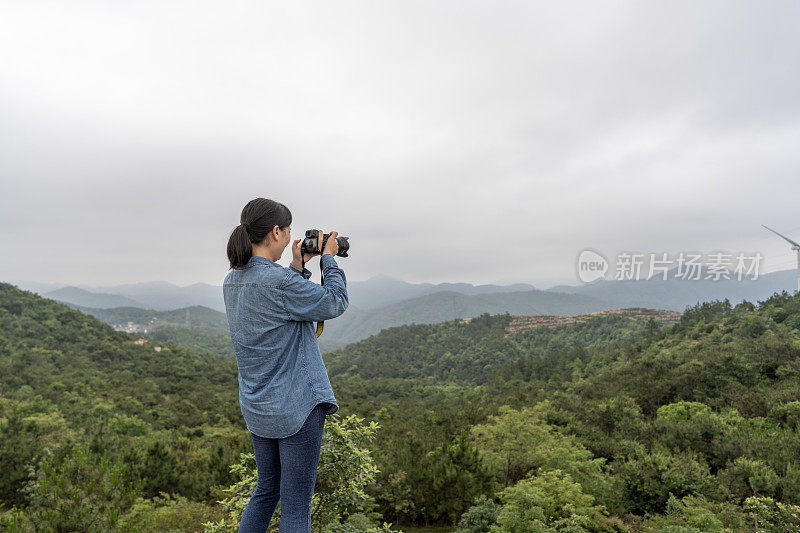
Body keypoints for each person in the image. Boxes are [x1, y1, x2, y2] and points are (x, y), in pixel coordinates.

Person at [223, 197, 348, 533]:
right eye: (288, 231)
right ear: (276, 232)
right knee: (295, 507)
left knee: (266, 491)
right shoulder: (278, 281)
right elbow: (334, 302)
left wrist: (297, 267)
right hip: (296, 407)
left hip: (258, 407)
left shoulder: (232, 280)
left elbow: (278, 308)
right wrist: (329, 260)